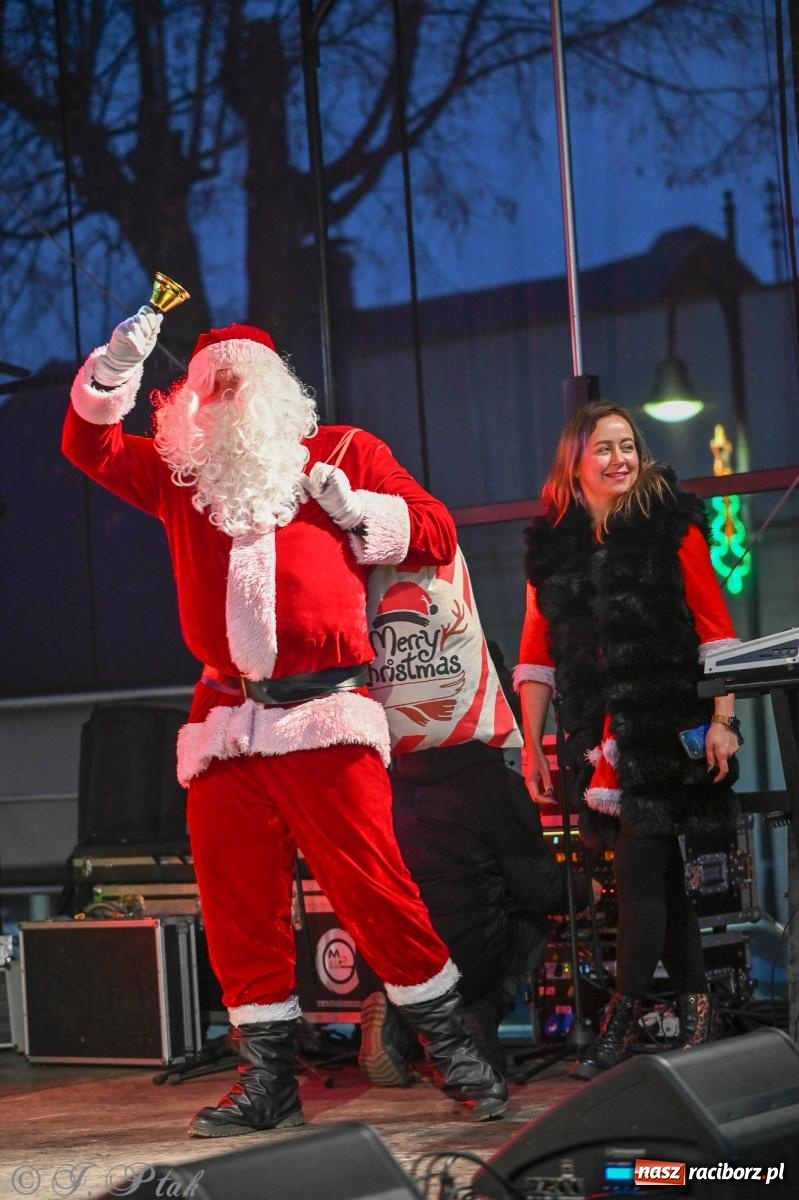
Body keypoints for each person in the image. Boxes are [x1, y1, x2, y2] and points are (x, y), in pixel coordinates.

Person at [62, 307, 508, 1134]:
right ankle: (268, 1082)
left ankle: (458, 1055)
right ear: (193, 399)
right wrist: (114, 370)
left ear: (274, 390)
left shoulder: (343, 451)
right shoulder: (181, 469)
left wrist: (355, 509)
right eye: (211, 385)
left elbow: (436, 532)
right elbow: (87, 446)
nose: (227, 396)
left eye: (239, 381)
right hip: (225, 721)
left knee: (376, 891)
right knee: (238, 908)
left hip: (326, 719)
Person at [513, 401, 742, 1081]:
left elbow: (715, 630)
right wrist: (531, 745)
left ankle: (618, 1021)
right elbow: (534, 654)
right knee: (660, 881)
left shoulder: (670, 525)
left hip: (664, 727)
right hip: (591, 737)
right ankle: (699, 1015)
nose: (620, 459)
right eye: (604, 449)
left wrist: (722, 722)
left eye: (627, 446)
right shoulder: (553, 545)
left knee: (639, 877)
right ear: (574, 463)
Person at [357, 734, 601, 1086]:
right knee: (530, 921)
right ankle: (478, 1013)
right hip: (467, 953)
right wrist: (584, 890)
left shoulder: (387, 781)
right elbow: (539, 888)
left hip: (396, 952)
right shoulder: (495, 783)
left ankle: (394, 1018)